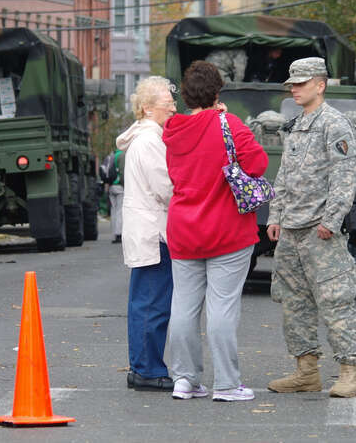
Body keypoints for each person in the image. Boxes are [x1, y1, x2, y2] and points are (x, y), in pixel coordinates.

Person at [163, 60, 268, 402]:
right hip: (226, 230)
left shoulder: (173, 130)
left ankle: (184, 379)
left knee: (183, 306)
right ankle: (225, 384)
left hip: (183, 229)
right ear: (217, 92)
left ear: (186, 96)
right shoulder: (229, 123)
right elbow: (257, 164)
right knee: (222, 308)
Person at [266, 57, 356, 399]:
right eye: (292, 84)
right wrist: (275, 215)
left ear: (320, 85)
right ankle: (306, 371)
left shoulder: (334, 125)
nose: (294, 88)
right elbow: (284, 175)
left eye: (301, 83)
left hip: (319, 230)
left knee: (335, 300)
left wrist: (331, 220)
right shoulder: (295, 125)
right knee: (294, 303)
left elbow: (344, 177)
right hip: (291, 230)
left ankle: (350, 372)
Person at [116, 76, 177, 391]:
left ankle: (145, 366)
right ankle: (147, 370)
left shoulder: (144, 139)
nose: (173, 108)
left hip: (148, 231)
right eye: (168, 103)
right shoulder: (151, 141)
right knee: (152, 305)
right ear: (149, 107)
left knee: (145, 302)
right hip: (154, 233)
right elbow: (166, 187)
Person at [108, 149, 125, 243]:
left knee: (113, 210)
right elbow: (122, 172)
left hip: (111, 186)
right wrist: (125, 185)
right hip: (119, 186)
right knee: (120, 210)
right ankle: (119, 233)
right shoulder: (122, 155)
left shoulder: (112, 155)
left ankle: (114, 234)